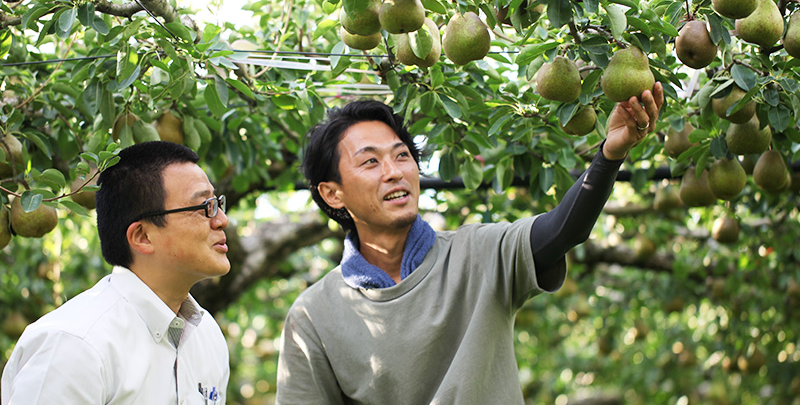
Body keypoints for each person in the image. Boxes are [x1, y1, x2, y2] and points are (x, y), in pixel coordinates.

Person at [275, 83, 665, 404]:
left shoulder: (479, 254)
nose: (394, 172)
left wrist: (610, 155)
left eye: (402, 156)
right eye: (370, 162)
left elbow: (563, 230)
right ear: (332, 194)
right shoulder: (314, 315)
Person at [1, 141, 231, 405]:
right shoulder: (75, 346)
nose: (222, 219)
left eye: (217, 203)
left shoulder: (208, 336)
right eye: (204, 207)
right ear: (143, 236)